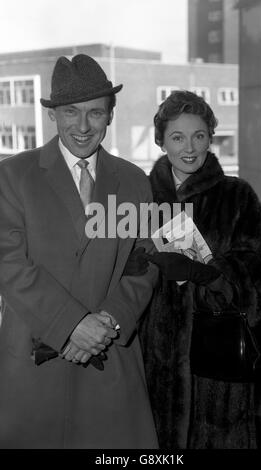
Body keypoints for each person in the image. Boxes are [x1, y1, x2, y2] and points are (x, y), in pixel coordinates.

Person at [0, 54, 159, 449]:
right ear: (53, 115)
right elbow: (9, 264)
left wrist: (109, 320)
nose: (83, 126)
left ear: (110, 116)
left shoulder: (135, 181)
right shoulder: (12, 176)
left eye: (95, 113)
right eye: (71, 112)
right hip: (33, 366)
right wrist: (72, 324)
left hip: (111, 357)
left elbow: (146, 263)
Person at [125, 90, 261, 448]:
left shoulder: (237, 196)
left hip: (218, 376)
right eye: (177, 137)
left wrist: (209, 275)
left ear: (211, 137)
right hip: (151, 364)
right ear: (161, 141)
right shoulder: (140, 199)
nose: (189, 147)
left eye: (199, 135)